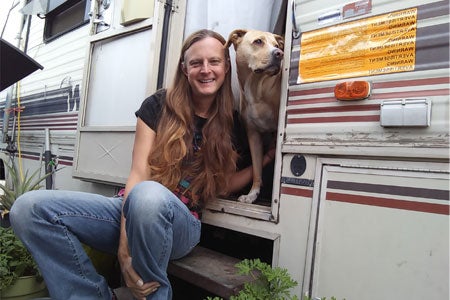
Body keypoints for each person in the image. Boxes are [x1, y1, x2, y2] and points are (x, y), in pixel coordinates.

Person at [10, 29, 275, 300]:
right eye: (196, 63)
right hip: (129, 211)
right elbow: (138, 175)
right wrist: (124, 253)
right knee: (28, 208)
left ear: (226, 66)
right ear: (185, 69)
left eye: (214, 62)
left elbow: (223, 185)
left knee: (149, 196)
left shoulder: (233, 123)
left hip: (181, 224)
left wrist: (262, 163)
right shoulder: (158, 105)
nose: (205, 70)